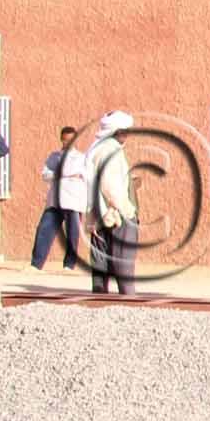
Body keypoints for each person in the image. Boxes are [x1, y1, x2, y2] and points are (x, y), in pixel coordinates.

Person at [82, 112, 139, 296]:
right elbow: (110, 183)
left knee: (100, 261)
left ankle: (100, 299)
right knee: (123, 260)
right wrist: (125, 210)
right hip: (116, 214)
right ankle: (128, 298)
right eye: (125, 131)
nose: (128, 134)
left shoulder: (97, 148)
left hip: (98, 213)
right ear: (117, 131)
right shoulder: (110, 150)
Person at [32, 125, 83, 272]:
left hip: (73, 201)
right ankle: (36, 264)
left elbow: (83, 176)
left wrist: (61, 174)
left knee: (72, 234)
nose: (68, 143)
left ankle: (69, 265)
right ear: (62, 140)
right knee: (44, 230)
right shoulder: (54, 156)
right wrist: (65, 175)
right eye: (66, 140)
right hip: (55, 201)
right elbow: (45, 175)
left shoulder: (80, 158)